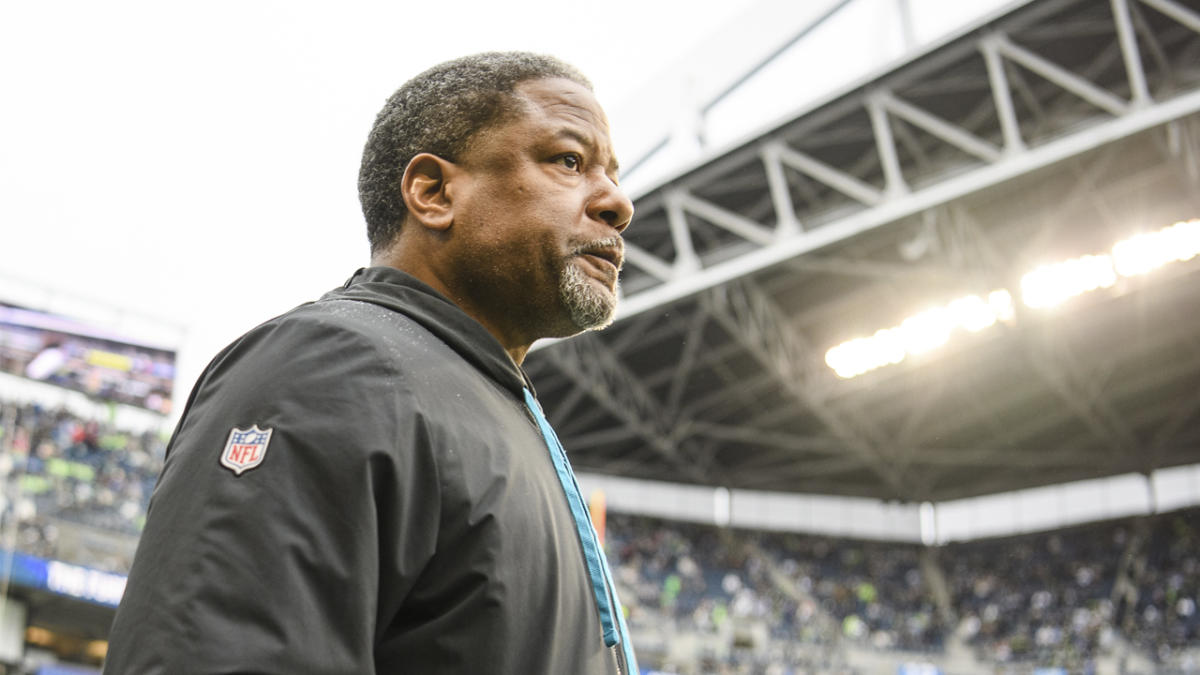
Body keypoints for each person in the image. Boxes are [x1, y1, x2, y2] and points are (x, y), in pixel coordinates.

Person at [103, 52, 637, 674]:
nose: (617, 203)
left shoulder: (499, 407)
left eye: (612, 174)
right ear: (433, 193)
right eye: (569, 161)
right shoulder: (333, 367)